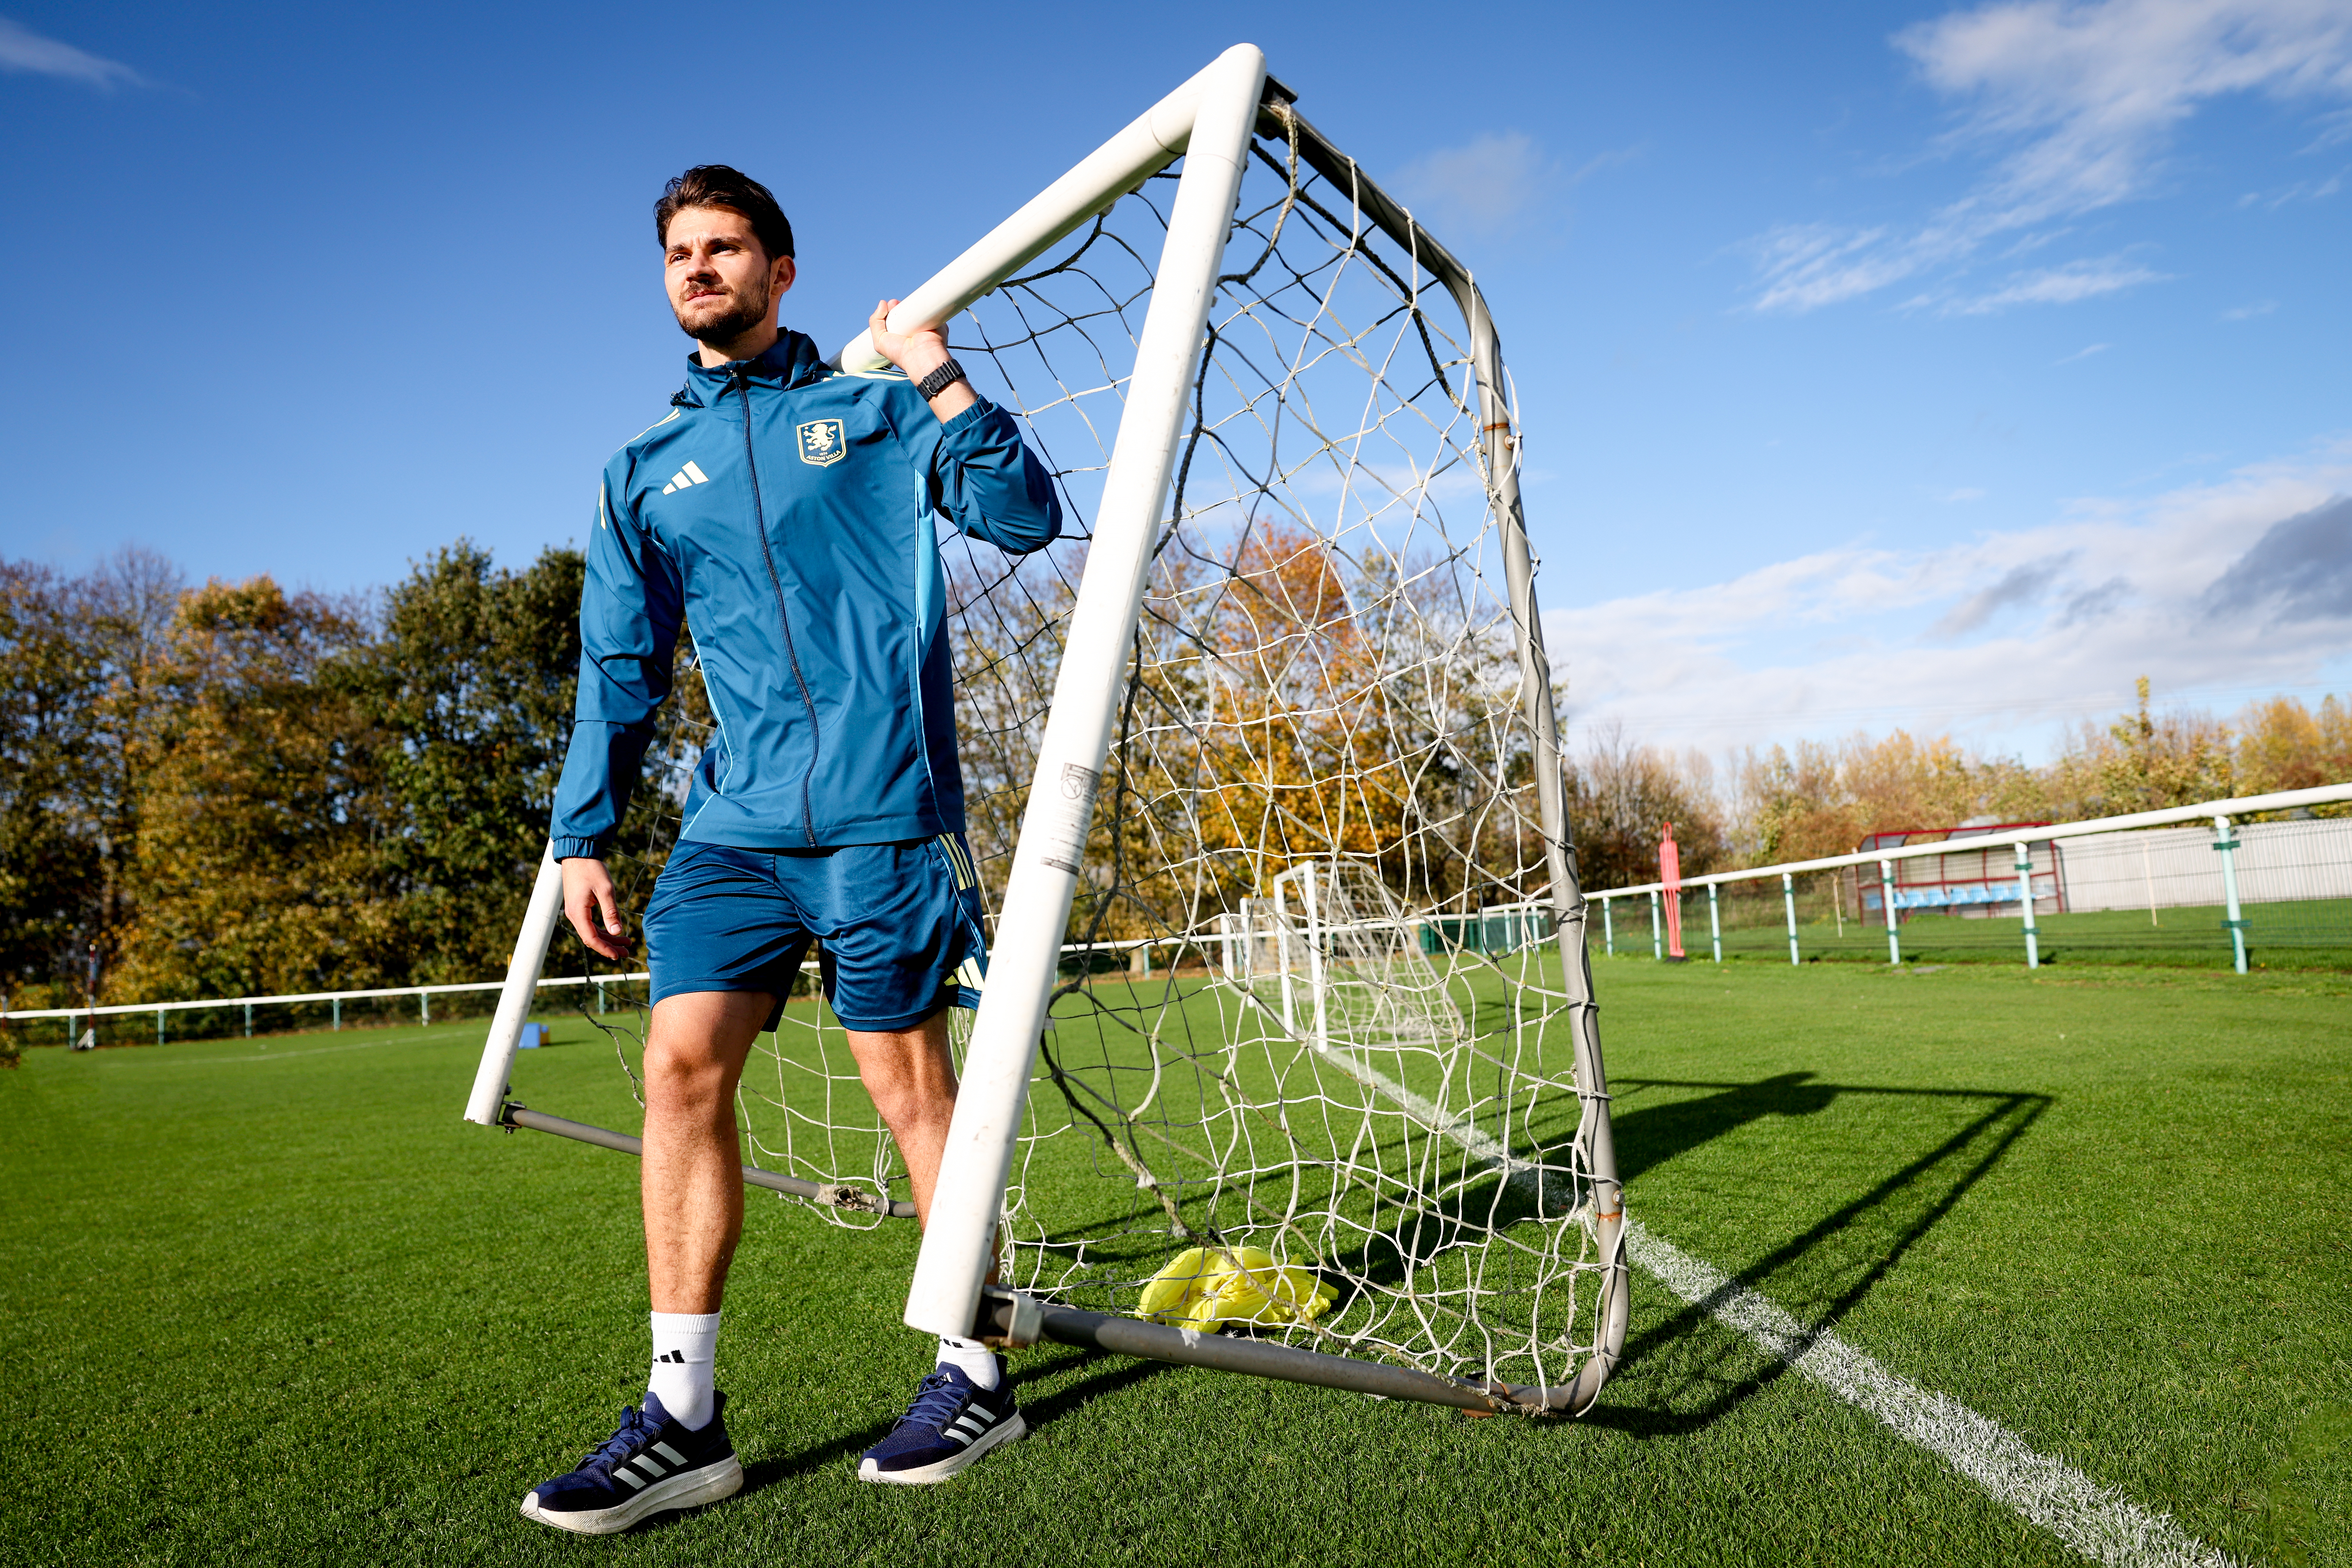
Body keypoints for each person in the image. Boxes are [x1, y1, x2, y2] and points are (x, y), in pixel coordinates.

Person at [519, 165, 1061, 1535]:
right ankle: (684, 1418)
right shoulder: (642, 468)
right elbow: (617, 665)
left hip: (882, 815)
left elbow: (1021, 516)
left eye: (726, 247)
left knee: (908, 1092)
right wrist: (583, 831)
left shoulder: (875, 411)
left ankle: (972, 1367)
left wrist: (940, 376)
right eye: (680, 254)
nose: (699, 269)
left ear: (783, 269)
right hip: (733, 828)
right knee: (676, 1067)